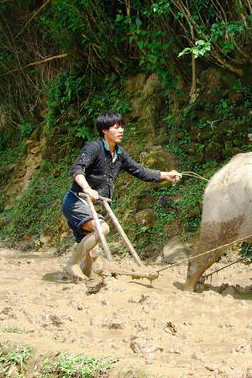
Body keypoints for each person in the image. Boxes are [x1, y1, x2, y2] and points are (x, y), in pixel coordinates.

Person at [62, 112, 181, 280]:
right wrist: (88, 188)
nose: (121, 130)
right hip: (77, 200)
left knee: (92, 255)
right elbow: (77, 170)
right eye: (116, 127)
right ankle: (71, 264)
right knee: (102, 229)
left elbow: (140, 170)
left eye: (122, 127)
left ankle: (79, 281)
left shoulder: (119, 154)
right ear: (104, 130)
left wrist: (165, 174)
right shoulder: (94, 148)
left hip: (95, 206)